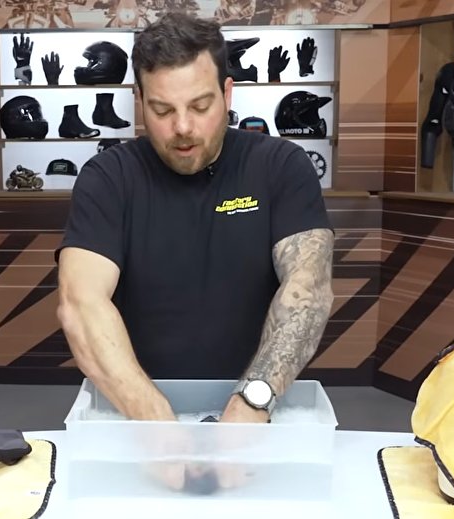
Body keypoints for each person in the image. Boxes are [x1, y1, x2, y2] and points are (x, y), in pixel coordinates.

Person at [55, 12, 334, 429]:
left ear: (227, 93)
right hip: (135, 411)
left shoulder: (281, 167)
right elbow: (81, 303)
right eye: (162, 109)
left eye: (200, 106)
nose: (182, 127)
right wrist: (156, 423)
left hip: (262, 408)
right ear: (139, 100)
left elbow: (307, 291)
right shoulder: (108, 178)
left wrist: (253, 401)